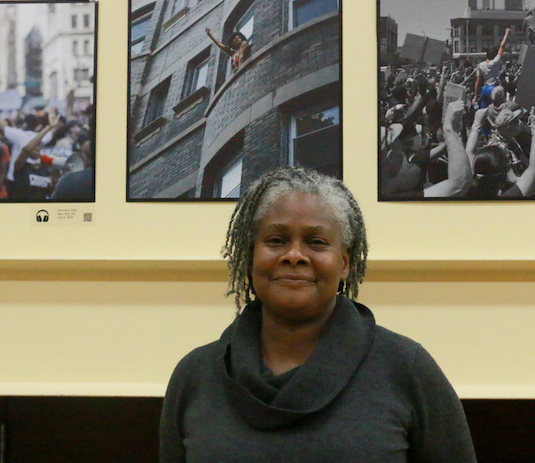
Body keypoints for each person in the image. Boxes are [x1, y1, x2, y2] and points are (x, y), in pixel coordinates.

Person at [160, 167, 476, 462]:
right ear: (249, 256)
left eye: (316, 242)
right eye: (276, 240)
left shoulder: (407, 367)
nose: (294, 255)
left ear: (345, 262)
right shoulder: (195, 374)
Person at [473, 27, 510, 110]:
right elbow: (502, 46)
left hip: (485, 89)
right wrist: (506, 33)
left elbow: (478, 82)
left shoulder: (480, 65)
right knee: (497, 110)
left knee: (484, 110)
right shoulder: (495, 62)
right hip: (494, 89)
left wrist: (475, 96)